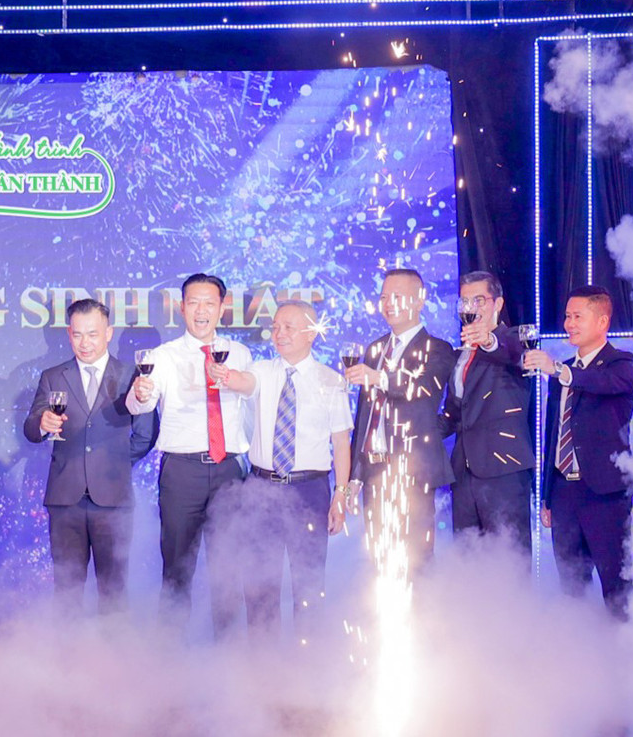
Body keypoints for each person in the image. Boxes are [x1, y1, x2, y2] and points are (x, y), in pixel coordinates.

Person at [127, 273, 252, 634]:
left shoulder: (240, 354)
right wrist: (140, 393)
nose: (201, 311)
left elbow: (251, 405)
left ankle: (228, 651)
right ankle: (170, 653)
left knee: (229, 568)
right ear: (181, 308)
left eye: (209, 303)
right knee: (177, 568)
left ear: (222, 308)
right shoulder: (163, 356)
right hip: (182, 473)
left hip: (230, 471)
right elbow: (138, 404)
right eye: (193, 303)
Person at [220, 300, 352, 638]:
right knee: (259, 584)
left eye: (288, 327)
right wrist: (227, 377)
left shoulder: (330, 381)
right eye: (275, 327)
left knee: (308, 583)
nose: (279, 334)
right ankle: (264, 662)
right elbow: (244, 382)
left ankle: (306, 660)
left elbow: (341, 443)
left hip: (309, 491)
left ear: (311, 333)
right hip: (261, 487)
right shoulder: (264, 371)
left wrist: (341, 495)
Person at [21, 298, 158, 615]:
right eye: (78, 334)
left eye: (93, 334)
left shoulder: (131, 376)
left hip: (113, 499)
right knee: (66, 592)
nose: (85, 343)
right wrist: (42, 423)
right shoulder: (53, 376)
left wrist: (114, 464)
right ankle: (67, 649)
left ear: (108, 333)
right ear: (69, 334)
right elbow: (30, 428)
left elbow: (146, 434)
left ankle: (112, 649)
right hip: (65, 501)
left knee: (114, 591)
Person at [524, 285, 633, 617]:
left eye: (577, 316)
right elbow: (553, 433)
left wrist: (560, 371)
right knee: (571, 586)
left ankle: (624, 646)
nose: (569, 324)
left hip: (605, 495)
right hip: (563, 494)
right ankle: (579, 644)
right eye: (567, 316)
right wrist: (546, 495)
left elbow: (601, 382)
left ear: (602, 321)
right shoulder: (561, 371)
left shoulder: (622, 363)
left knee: (616, 586)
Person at [346, 268, 457, 575]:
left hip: (412, 472)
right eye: (384, 297)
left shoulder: (438, 348)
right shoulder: (375, 349)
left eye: (397, 297)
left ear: (419, 300)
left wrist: (378, 377)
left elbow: (422, 389)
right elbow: (365, 417)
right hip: (374, 471)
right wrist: (355, 475)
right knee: (379, 560)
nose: (388, 304)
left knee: (415, 561)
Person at [442, 271, 535, 554]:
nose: (471, 307)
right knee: (468, 562)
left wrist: (488, 341)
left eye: (479, 300)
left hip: (504, 472)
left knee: (510, 561)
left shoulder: (515, 339)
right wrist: (414, 433)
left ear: (498, 303)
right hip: (463, 473)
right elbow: (453, 413)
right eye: (465, 301)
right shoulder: (460, 353)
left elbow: (515, 354)